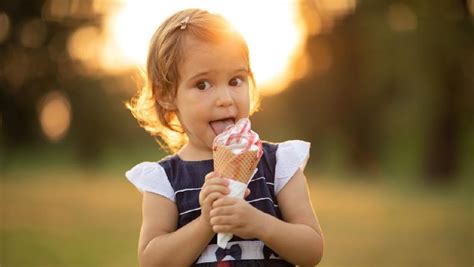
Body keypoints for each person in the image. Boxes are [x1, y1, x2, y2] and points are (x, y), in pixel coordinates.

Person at [125, 8, 324, 267]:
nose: (225, 99)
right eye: (203, 84)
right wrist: (206, 222)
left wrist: (260, 224)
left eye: (235, 80)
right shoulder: (165, 180)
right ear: (166, 95)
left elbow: (312, 250)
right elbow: (152, 261)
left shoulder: (278, 164)